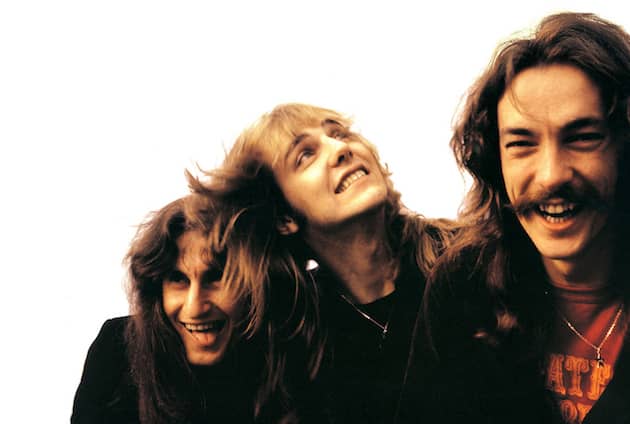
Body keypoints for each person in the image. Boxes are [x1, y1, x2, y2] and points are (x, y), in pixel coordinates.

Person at [424, 12, 630, 424]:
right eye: (521, 144)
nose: (551, 175)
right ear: (495, 160)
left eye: (583, 138)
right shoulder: (464, 285)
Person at [191, 103, 454, 423]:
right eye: (305, 155)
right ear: (284, 217)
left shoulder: (468, 260)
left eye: (339, 134)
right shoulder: (293, 347)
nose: (341, 149)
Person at [71, 193, 297, 423]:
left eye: (216, 277)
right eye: (178, 279)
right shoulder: (116, 349)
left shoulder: (295, 356)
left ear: (256, 285)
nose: (195, 307)